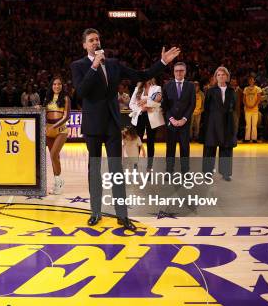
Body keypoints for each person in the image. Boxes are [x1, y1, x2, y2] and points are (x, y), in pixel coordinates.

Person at [70, 28, 179, 229]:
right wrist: (93, 67)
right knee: (94, 170)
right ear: (84, 45)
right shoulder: (78, 66)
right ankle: (95, 212)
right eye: (91, 40)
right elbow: (82, 91)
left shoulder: (112, 64)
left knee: (116, 171)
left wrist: (162, 62)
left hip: (112, 124)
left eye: (97, 39)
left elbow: (142, 74)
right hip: (93, 126)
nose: (95, 42)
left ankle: (122, 216)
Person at [202, 67, 237, 181]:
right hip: (212, 124)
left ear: (227, 77)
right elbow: (206, 109)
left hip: (227, 123)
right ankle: (207, 173)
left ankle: (226, 173)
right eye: (219, 75)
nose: (221, 76)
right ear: (216, 77)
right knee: (210, 150)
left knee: (226, 149)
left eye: (223, 75)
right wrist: (206, 126)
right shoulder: (210, 91)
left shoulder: (232, 91)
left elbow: (234, 107)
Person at [162, 62, 196, 173]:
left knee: (185, 148)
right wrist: (171, 119)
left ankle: (185, 171)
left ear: (185, 72)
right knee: (170, 148)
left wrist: (184, 119)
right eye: (176, 70)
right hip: (171, 123)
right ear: (173, 72)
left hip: (184, 123)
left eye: (181, 70)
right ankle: (169, 170)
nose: (179, 73)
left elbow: (192, 104)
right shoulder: (167, 85)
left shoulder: (190, 86)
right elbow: (165, 106)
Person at [42, 76, 70, 194]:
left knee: (53, 155)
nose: (57, 86)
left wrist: (55, 126)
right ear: (51, 86)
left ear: (62, 86)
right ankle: (57, 183)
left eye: (59, 84)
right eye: (54, 84)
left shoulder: (65, 98)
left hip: (61, 130)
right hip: (48, 131)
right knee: (54, 158)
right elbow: (43, 114)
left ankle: (59, 182)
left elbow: (66, 116)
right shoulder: (47, 98)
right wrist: (39, 108)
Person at [128, 77, 164, 170]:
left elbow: (158, 103)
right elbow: (131, 104)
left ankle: (149, 167)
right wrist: (141, 108)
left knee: (150, 142)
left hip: (152, 118)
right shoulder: (137, 88)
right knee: (137, 142)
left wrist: (146, 102)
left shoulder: (157, 88)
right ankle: (135, 165)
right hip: (139, 117)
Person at [243, 76, 262, 143]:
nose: (251, 81)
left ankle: (254, 138)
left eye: (252, 80)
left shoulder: (258, 89)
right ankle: (247, 138)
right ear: (248, 81)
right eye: (249, 80)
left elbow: (259, 98)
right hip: (247, 109)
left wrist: (254, 105)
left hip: (255, 109)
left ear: (254, 81)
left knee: (254, 125)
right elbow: (244, 99)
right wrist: (246, 105)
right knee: (248, 125)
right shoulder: (246, 89)